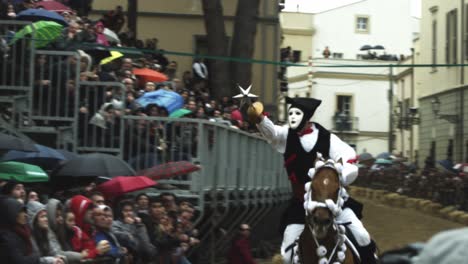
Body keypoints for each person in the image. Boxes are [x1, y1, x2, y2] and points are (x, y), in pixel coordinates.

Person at [250, 96, 376, 263]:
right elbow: (271, 133)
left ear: (307, 117)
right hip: (300, 205)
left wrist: (339, 176)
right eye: (290, 113)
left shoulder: (328, 138)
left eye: (297, 113)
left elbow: (350, 159)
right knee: (287, 256)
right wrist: (259, 118)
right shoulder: (286, 135)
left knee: (362, 236)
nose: (292, 117)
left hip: (333, 203)